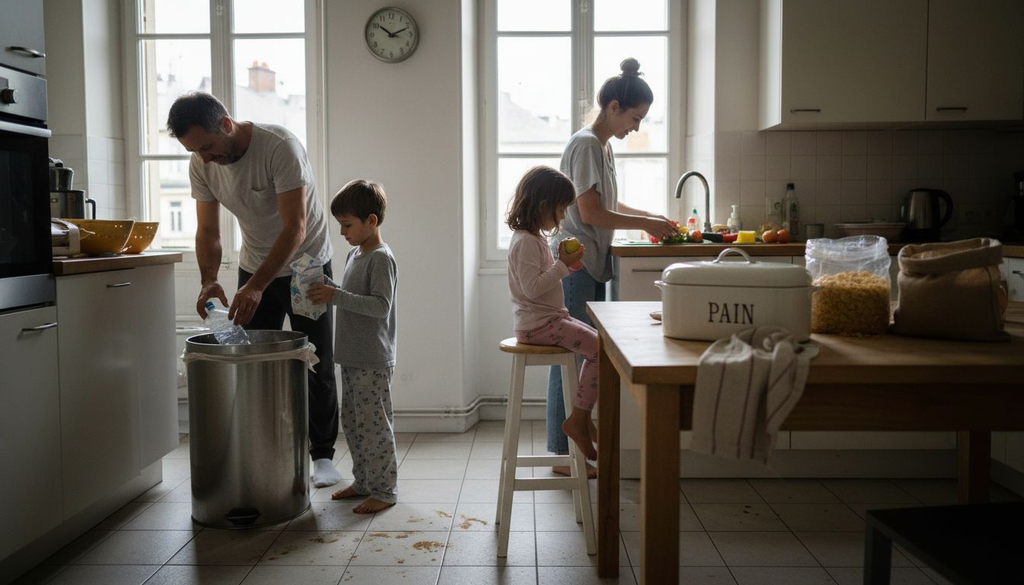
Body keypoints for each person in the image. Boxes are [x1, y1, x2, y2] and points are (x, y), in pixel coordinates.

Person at [166, 92, 342, 488]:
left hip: (305, 265)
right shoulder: (202, 163)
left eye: (208, 147)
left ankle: (323, 456)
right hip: (255, 263)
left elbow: (294, 228)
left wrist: (256, 286)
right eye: (196, 152)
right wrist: (209, 279)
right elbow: (208, 231)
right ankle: (261, 447)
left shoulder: (280, 147)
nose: (205, 159)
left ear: (226, 124)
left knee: (314, 359)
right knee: (244, 355)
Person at [547, 58, 678, 477]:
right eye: (635, 119)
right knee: (571, 356)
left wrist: (651, 217)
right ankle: (566, 456)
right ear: (615, 107)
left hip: (588, 263)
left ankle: (572, 444)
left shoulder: (600, 146)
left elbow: (608, 205)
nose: (636, 128)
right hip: (575, 262)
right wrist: (645, 224)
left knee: (580, 355)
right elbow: (589, 213)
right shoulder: (587, 143)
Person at [307, 179, 399, 514]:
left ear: (371, 221)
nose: (342, 232)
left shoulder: (381, 259)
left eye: (347, 225)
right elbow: (351, 296)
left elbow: (379, 306)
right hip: (351, 356)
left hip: (373, 359)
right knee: (355, 424)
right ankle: (364, 482)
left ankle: (385, 490)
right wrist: (328, 286)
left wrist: (336, 295)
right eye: (340, 225)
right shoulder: (353, 253)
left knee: (375, 427)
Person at [507, 166, 599, 461]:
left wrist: (567, 264)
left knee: (602, 346)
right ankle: (579, 420)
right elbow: (532, 288)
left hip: (548, 320)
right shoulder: (525, 242)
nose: (562, 218)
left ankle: (583, 419)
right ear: (543, 206)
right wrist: (561, 265)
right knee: (599, 350)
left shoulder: (533, 239)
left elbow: (542, 279)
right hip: (538, 325)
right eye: (560, 210)